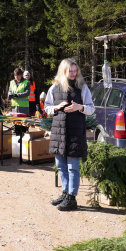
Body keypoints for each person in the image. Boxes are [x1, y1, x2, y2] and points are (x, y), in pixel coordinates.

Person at [45, 59, 94, 212]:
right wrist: (56, 107)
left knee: (73, 167)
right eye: (70, 71)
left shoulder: (82, 88)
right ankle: (65, 193)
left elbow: (91, 109)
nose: (74, 74)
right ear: (63, 71)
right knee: (60, 165)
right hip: (59, 132)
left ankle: (72, 198)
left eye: (75, 70)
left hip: (75, 132)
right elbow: (47, 108)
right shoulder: (54, 87)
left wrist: (80, 107)